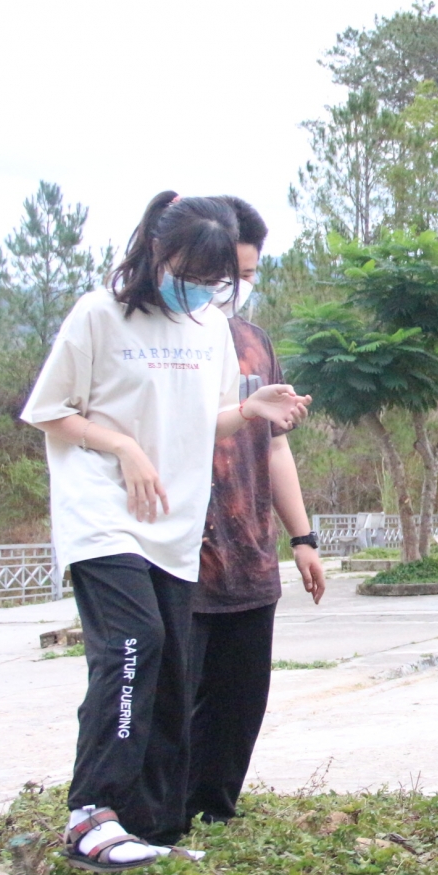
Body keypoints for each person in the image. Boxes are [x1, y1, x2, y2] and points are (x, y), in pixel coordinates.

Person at [22, 192, 311, 872]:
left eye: (220, 279)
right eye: (195, 271)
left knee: (174, 675)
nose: (208, 289)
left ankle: (149, 825)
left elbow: (198, 417)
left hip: (171, 524)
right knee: (133, 643)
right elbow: (49, 411)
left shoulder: (207, 325)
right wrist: (123, 448)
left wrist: (249, 408)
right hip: (103, 513)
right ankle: (92, 811)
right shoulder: (101, 314)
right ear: (157, 253)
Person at [183, 197, 327, 832]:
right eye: (226, 274)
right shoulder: (165, 343)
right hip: (178, 556)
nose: (235, 288)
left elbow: (274, 446)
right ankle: (159, 817)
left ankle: (215, 814)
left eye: (247, 275)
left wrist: (302, 536)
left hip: (247, 553)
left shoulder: (254, 344)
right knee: (174, 700)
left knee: (241, 701)